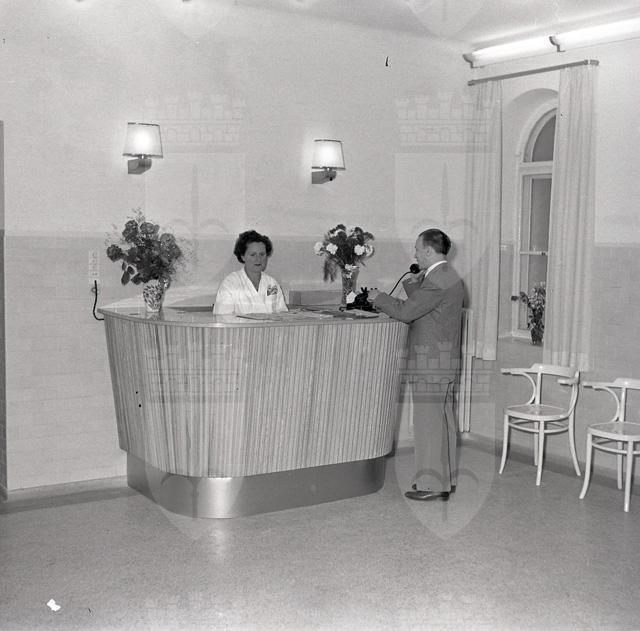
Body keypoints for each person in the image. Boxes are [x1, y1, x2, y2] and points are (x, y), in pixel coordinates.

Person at [368, 229, 464, 502]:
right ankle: (445, 480)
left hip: (429, 363)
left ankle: (431, 484)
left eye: (417, 249)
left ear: (429, 251)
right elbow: (430, 308)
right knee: (443, 422)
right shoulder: (447, 275)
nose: (415, 254)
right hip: (443, 361)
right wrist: (413, 284)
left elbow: (407, 312)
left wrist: (378, 297)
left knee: (428, 425)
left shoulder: (437, 280)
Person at [213, 230, 288, 315]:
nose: (258, 259)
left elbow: (283, 315)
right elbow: (222, 318)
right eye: (253, 255)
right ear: (242, 256)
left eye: (262, 254)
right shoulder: (230, 284)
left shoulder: (272, 284)